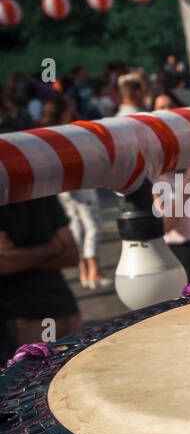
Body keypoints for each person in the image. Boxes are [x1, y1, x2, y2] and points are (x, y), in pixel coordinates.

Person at [0, 195, 82, 350]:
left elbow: (72, 255)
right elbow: (5, 265)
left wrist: (18, 257)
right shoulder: (41, 191)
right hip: (33, 317)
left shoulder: (41, 194)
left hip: (43, 318)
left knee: (44, 371)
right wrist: (52, 248)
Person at [44, 96, 108, 290]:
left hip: (61, 186)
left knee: (76, 226)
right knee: (92, 225)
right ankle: (93, 270)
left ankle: (84, 271)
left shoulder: (45, 134)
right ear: (64, 112)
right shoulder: (68, 133)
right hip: (79, 182)